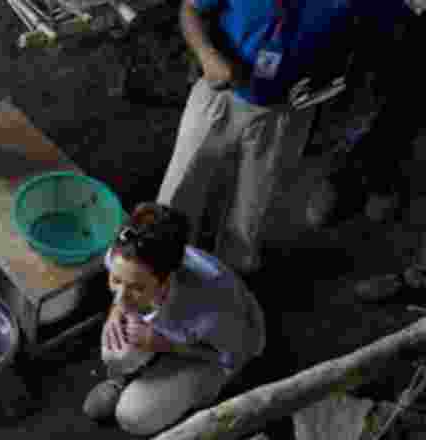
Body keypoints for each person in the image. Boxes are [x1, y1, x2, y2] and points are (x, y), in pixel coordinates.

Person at [158, 0, 366, 276]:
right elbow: (191, 9)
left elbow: (367, 40)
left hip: (288, 109)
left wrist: (332, 80)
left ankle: (229, 280)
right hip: (221, 95)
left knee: (254, 206)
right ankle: (159, 267)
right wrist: (207, 56)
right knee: (181, 189)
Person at [83, 203, 266, 435]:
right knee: (115, 351)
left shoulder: (213, 308)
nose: (120, 298)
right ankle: (119, 380)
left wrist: (165, 344)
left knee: (132, 416)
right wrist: (114, 314)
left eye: (136, 288)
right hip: (167, 323)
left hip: (212, 353)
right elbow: (124, 289)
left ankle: (187, 391)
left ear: (167, 279)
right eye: (116, 280)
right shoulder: (125, 254)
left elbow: (230, 356)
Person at [307, 0, 425, 228]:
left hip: (407, 60)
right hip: (373, 41)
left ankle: (380, 179)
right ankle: (349, 179)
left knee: (398, 120)